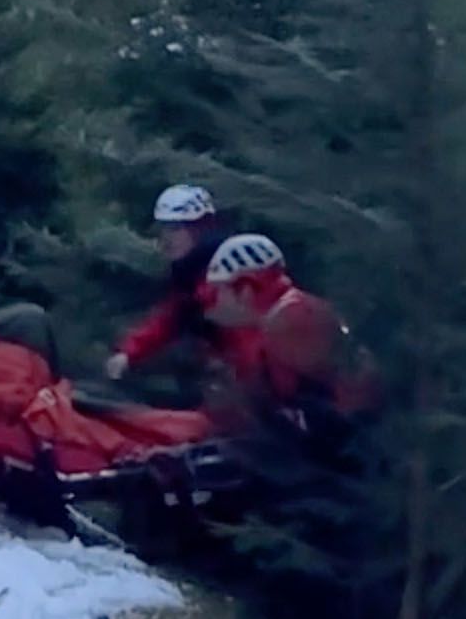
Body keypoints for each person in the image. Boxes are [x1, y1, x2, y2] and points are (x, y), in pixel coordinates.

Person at [197, 234, 370, 440]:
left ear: (245, 290)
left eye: (216, 293)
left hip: (345, 446)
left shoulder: (288, 323)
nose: (212, 304)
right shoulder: (294, 310)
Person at [104, 184, 227, 384]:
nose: (166, 237)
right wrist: (127, 354)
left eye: (176, 228)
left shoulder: (225, 276)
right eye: (163, 228)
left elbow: (249, 337)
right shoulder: (190, 272)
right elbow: (169, 317)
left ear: (200, 230)